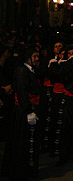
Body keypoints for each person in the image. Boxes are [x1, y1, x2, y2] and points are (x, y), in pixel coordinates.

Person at [1, 46, 41, 180]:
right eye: (34, 56)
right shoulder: (21, 71)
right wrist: (28, 111)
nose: (36, 59)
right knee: (22, 141)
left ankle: (26, 169)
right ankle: (21, 171)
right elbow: (22, 92)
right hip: (23, 112)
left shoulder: (29, 70)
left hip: (29, 108)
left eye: (37, 56)